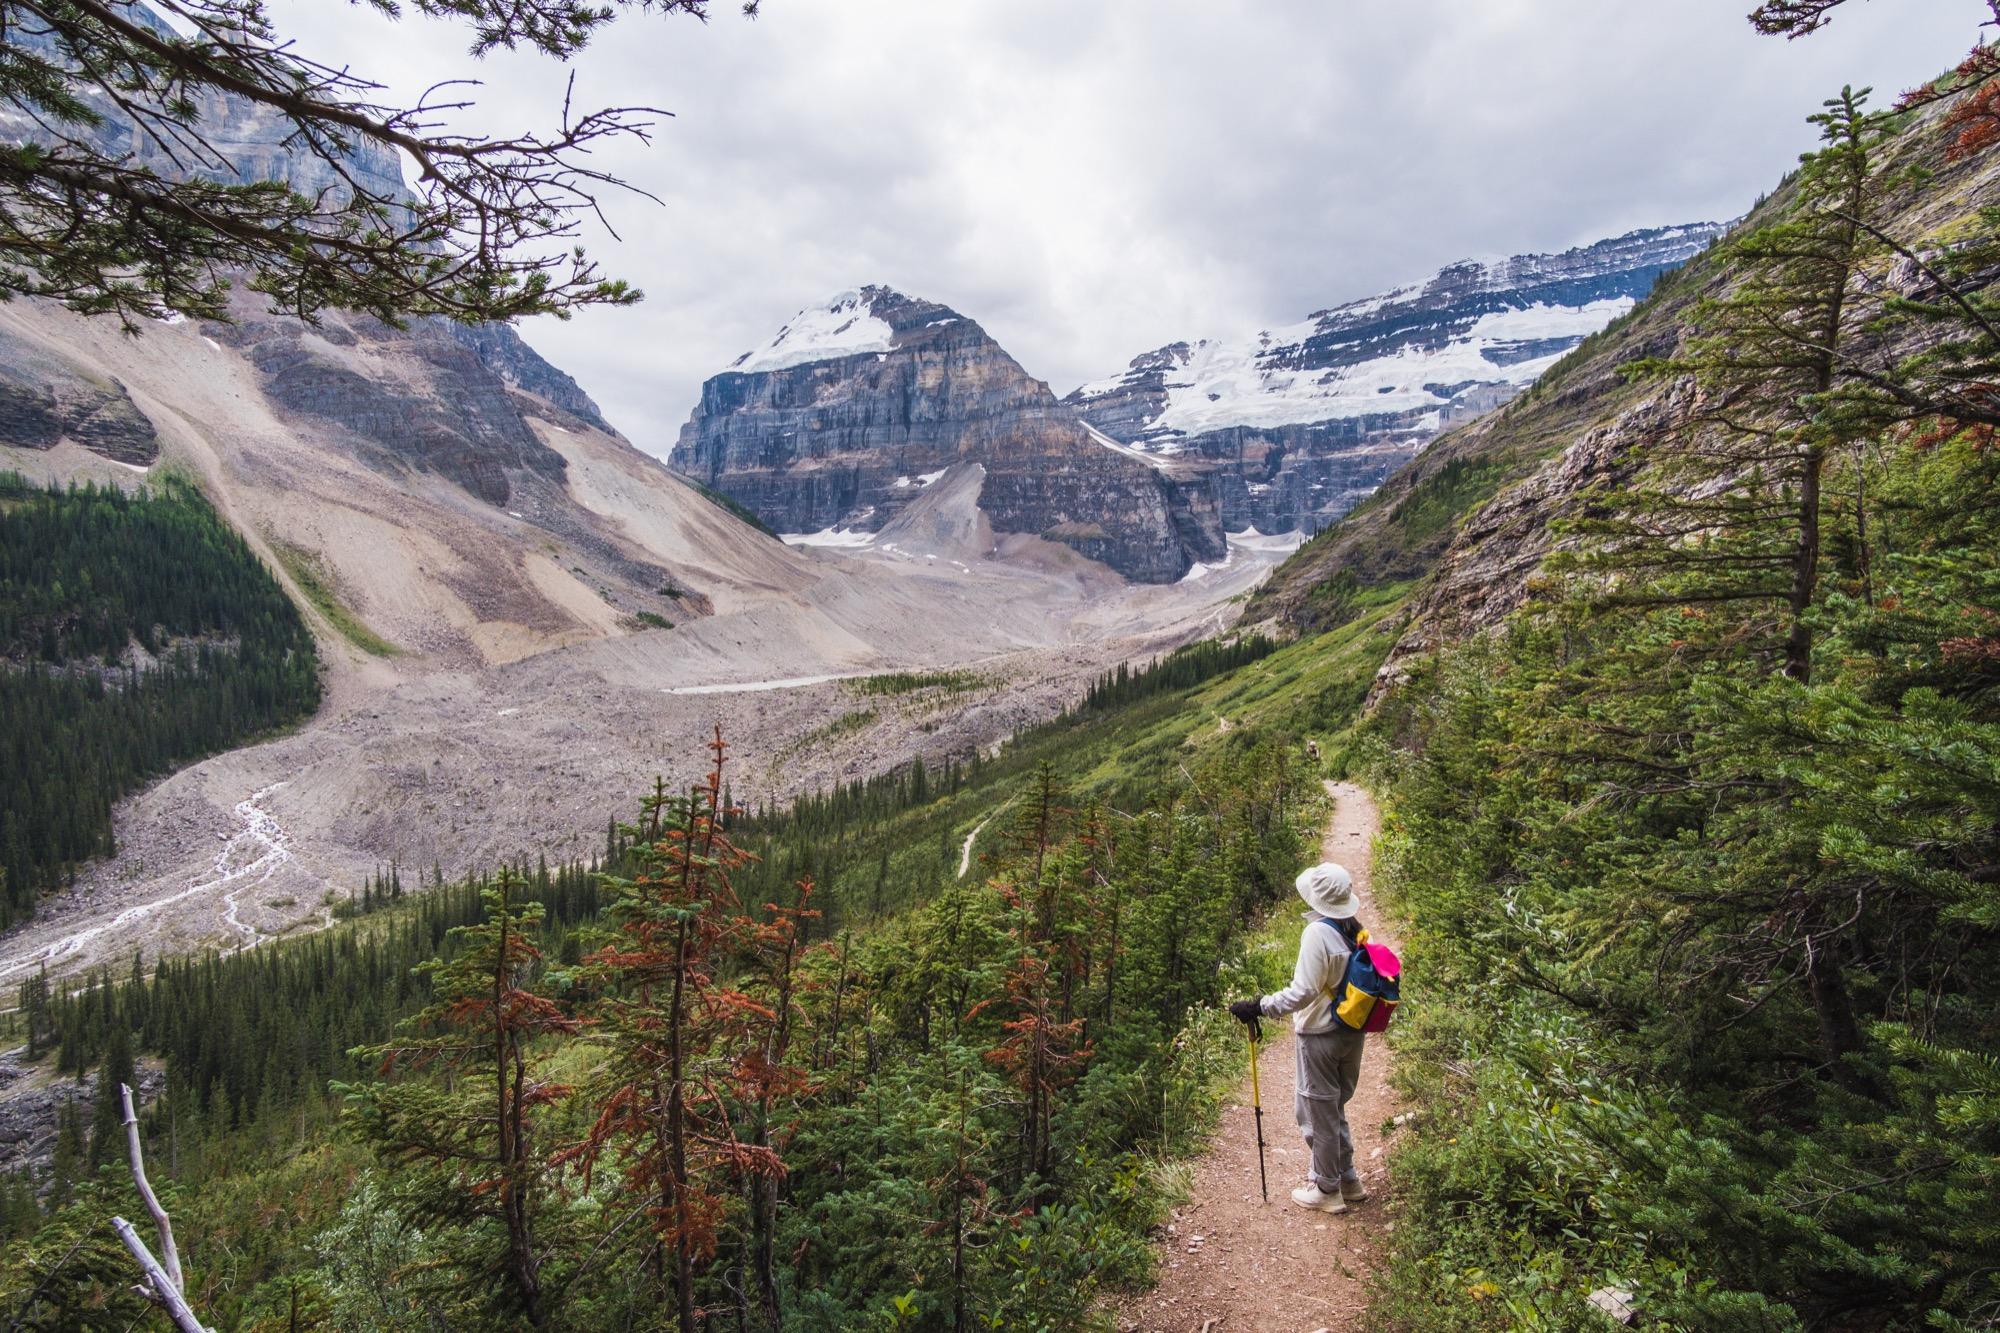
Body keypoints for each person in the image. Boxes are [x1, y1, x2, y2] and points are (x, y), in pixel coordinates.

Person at [1229, 861, 1370, 1213]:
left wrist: (1259, 1006)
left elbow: (1303, 992)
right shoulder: (1353, 929)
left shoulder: (1317, 934)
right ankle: (1348, 1178)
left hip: (1320, 1034)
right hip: (1351, 1032)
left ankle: (1326, 1188)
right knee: (1332, 1106)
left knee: (1314, 1110)